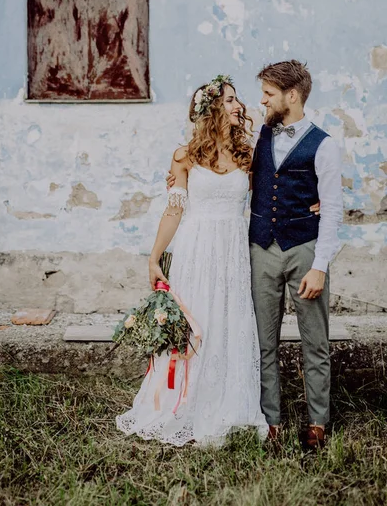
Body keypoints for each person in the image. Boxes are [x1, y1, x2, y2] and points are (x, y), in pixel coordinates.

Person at [116, 75, 268, 446]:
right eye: (229, 100)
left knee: (228, 322)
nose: (238, 106)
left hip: (232, 253)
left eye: (237, 100)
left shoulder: (247, 154)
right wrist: (154, 258)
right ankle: (183, 403)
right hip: (196, 252)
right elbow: (174, 210)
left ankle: (228, 404)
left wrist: (310, 205)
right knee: (197, 322)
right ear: (212, 109)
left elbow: (272, 195)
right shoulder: (184, 157)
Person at [250, 60, 343, 448]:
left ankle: (317, 421)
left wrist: (320, 267)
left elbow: (333, 208)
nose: (263, 101)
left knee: (314, 340)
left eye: (269, 94)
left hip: (304, 249)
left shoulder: (324, 144)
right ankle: (269, 420)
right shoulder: (261, 136)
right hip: (261, 249)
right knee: (263, 340)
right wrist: (183, 171)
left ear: (292, 96)